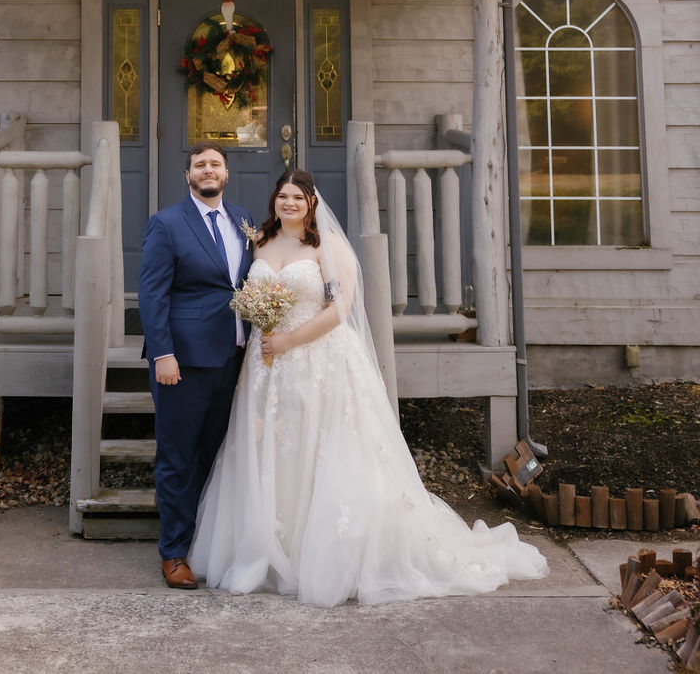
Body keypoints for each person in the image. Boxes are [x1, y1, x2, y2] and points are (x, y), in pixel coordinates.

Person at [190, 168, 550, 608]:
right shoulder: (261, 243)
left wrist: (287, 340)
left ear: (311, 204)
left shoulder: (328, 245)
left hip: (316, 360)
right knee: (271, 452)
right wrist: (266, 332)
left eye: (298, 197)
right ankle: (268, 548)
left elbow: (340, 308)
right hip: (266, 370)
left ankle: (319, 553)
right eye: (282, 196)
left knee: (321, 449)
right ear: (274, 202)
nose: (289, 203)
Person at [138, 144, 254, 590]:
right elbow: (153, 294)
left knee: (216, 455)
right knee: (177, 455)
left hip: (234, 358)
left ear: (226, 174)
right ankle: (174, 552)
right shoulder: (166, 223)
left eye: (216, 164)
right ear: (187, 174)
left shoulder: (243, 221)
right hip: (182, 362)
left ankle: (209, 546)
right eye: (200, 164)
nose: (209, 170)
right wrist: (162, 354)